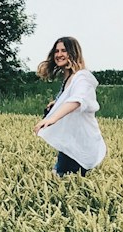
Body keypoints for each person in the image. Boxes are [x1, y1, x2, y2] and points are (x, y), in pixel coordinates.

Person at [33, 36, 105, 176]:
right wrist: (57, 103)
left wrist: (52, 118)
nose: (59, 54)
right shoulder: (68, 78)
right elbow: (70, 97)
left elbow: (78, 100)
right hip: (69, 143)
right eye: (57, 51)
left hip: (81, 144)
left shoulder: (82, 77)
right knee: (60, 179)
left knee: (67, 180)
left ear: (73, 53)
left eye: (64, 50)